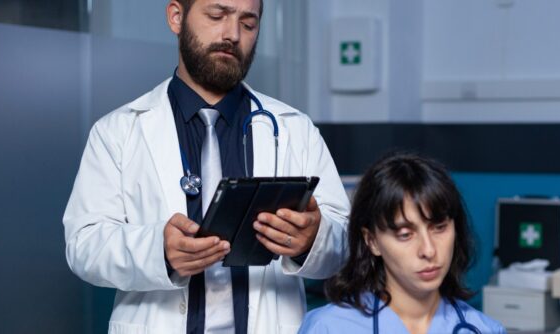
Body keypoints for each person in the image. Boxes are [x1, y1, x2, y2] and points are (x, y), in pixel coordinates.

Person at [62, 0, 350, 333]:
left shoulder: (294, 130)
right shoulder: (118, 131)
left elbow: (344, 242)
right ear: (176, 17)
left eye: (248, 23)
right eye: (217, 15)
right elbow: (83, 245)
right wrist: (159, 252)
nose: (232, 34)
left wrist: (313, 239)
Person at [298, 153, 505, 334]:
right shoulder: (328, 328)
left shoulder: (483, 329)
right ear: (372, 241)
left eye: (439, 227)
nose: (428, 250)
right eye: (405, 234)